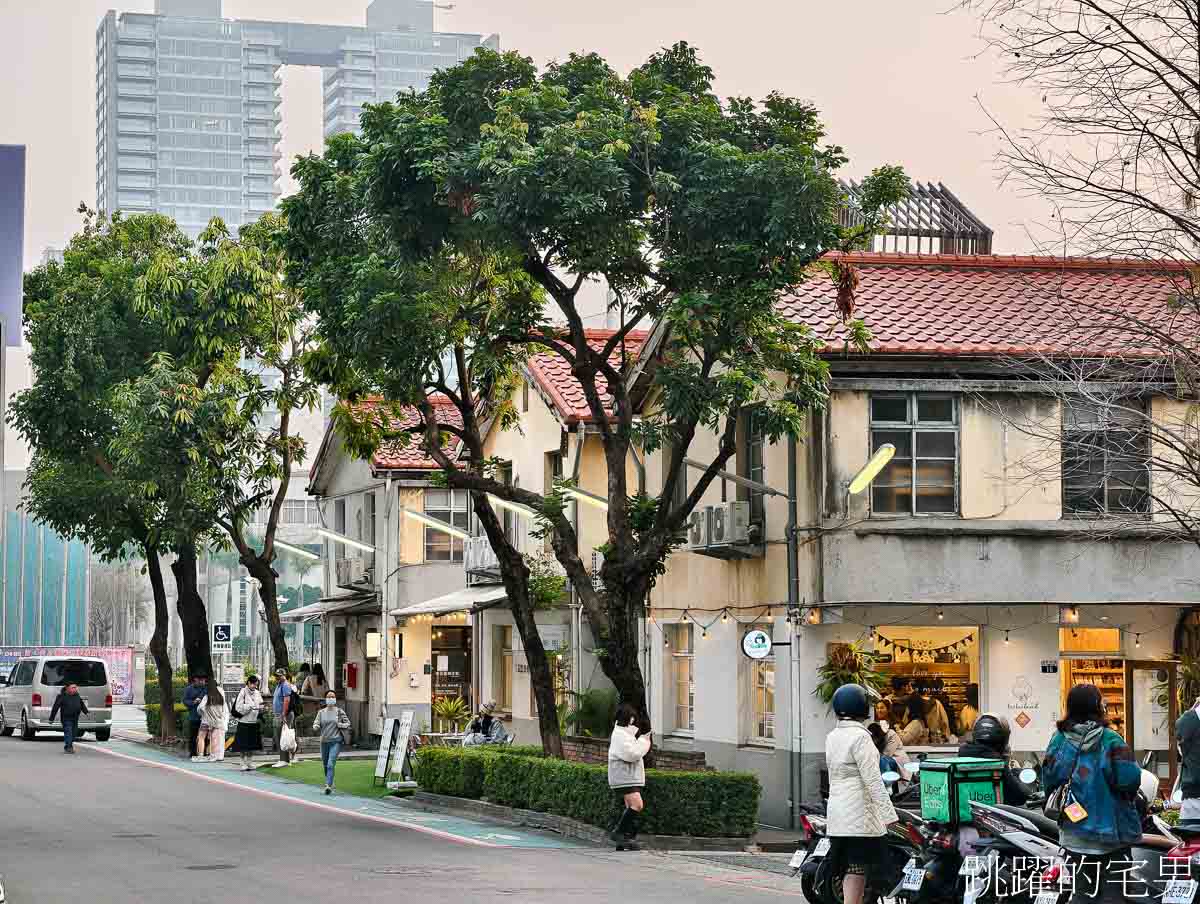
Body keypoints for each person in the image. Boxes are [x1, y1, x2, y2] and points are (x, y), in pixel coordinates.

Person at [1043, 684, 1141, 904]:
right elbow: (1130, 780)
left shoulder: (1058, 740)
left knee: (1081, 895)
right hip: (1111, 834)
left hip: (1074, 833)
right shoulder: (1111, 740)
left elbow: (1048, 779)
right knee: (1113, 897)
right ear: (1098, 707)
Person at [827, 684, 899, 904]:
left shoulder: (833, 736)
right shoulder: (861, 738)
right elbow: (873, 781)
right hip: (860, 814)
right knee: (863, 868)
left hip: (838, 814)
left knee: (852, 867)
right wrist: (890, 816)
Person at [958, 713, 1030, 805]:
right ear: (1001, 739)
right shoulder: (996, 763)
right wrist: (1016, 773)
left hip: (966, 810)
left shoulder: (963, 755)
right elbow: (1021, 796)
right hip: (992, 814)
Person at [608, 702, 652, 852]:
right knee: (637, 805)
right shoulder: (621, 735)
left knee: (630, 806)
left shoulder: (623, 734)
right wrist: (645, 741)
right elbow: (632, 754)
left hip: (625, 776)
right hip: (624, 776)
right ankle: (619, 833)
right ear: (630, 719)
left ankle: (626, 839)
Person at [312, 690, 351, 795]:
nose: (331, 698)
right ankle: (330, 781)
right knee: (325, 764)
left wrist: (340, 725)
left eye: (333, 696)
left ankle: (328, 786)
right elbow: (316, 722)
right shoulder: (321, 712)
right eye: (329, 697)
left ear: (335, 699)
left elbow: (348, 723)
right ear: (325, 699)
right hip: (324, 741)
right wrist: (316, 726)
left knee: (330, 764)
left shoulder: (339, 711)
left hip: (336, 741)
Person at [230, 675, 265, 772]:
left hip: (253, 722)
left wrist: (261, 708)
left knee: (252, 744)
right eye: (253, 684)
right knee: (243, 744)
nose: (254, 686)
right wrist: (250, 707)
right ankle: (242, 763)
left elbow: (261, 703)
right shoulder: (243, 692)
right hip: (244, 722)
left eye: (256, 685)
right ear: (248, 683)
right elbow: (238, 707)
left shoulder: (257, 693)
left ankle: (249, 762)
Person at [1176, 696, 1200, 821]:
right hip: (1193, 799)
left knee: (1190, 837)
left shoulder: (1189, 720)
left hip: (1194, 801)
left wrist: (1193, 708)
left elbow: (1180, 727)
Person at [49, 682, 89, 754]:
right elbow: (55, 707)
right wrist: (51, 719)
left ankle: (69, 744)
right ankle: (68, 747)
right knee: (68, 732)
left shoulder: (77, 695)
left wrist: (86, 712)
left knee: (74, 734)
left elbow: (81, 704)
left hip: (75, 718)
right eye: (73, 687)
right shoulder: (61, 696)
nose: (75, 689)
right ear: (67, 688)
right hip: (66, 718)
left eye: (75, 687)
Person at [195, 678, 228, 763]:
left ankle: (201, 755)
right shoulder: (221, 697)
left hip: (205, 721)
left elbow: (200, 708)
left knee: (201, 737)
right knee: (214, 738)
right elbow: (224, 710)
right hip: (216, 722)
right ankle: (214, 755)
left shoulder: (208, 696)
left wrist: (203, 713)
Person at [271, 668, 294, 766]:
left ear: (284, 675)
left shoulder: (285, 685)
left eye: (279, 675)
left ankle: (284, 760)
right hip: (279, 714)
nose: (277, 677)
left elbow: (286, 700)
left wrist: (283, 714)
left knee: (282, 737)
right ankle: (284, 759)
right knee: (280, 736)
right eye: (276, 675)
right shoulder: (279, 685)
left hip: (283, 714)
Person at [182, 672, 207, 758]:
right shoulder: (189, 689)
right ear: (195, 679)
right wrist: (193, 702)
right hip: (193, 716)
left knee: (205, 736)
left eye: (203, 680)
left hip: (205, 717)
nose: (201, 681)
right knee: (193, 736)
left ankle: (203, 752)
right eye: (199, 679)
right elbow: (185, 701)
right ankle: (193, 752)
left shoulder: (206, 689)